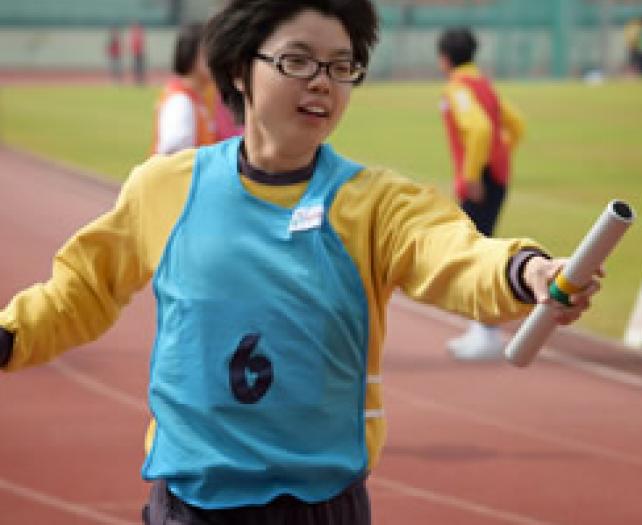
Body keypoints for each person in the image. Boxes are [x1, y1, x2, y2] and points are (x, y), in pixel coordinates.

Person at [0, 1, 601, 523]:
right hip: (191, 502)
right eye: (298, 61)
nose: (322, 83)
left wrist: (527, 270)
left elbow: (454, 253)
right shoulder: (165, 188)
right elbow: (83, 287)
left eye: (341, 66)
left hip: (322, 505)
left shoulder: (375, 204)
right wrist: (11, 336)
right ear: (241, 68)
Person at [437, 27, 526, 360]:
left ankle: (488, 332)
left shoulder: (458, 88)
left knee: (476, 255)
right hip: (495, 177)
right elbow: (517, 125)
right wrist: (501, 156)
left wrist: (473, 173)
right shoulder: (484, 84)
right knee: (477, 249)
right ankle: (481, 329)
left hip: (482, 181)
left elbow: (479, 129)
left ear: (444, 59)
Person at [152, 23, 218, 154]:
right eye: (208, 53)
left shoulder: (196, 98)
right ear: (190, 55)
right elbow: (173, 154)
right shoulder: (181, 102)